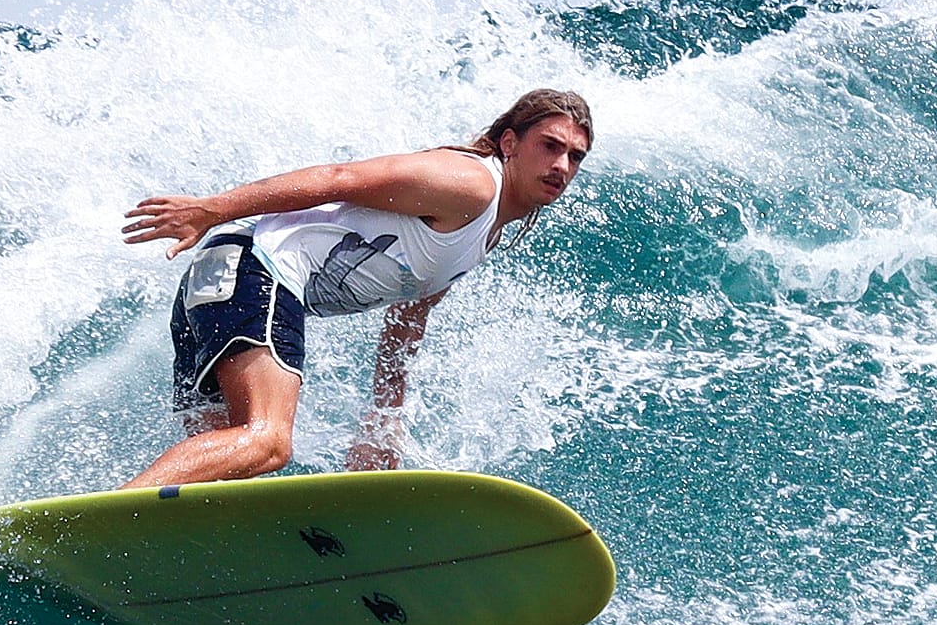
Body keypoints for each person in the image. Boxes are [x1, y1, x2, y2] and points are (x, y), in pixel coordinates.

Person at [120, 88, 593, 489]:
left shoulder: (483, 232)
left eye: (575, 156)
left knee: (223, 465)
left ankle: (126, 548)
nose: (561, 165)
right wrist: (212, 209)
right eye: (550, 146)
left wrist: (384, 420)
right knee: (266, 441)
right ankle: (99, 521)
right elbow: (340, 179)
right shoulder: (470, 184)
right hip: (256, 266)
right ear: (510, 142)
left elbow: (409, 316)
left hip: (219, 277)